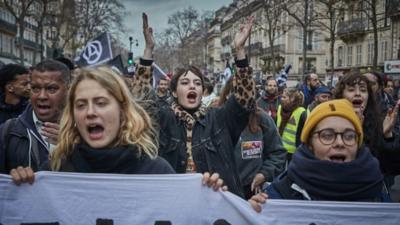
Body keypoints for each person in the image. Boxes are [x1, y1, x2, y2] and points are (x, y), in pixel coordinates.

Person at [10, 65, 227, 191]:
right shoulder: (54, 169)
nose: (90, 112)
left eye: (101, 103)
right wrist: (22, 188)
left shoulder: (156, 171)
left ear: (122, 110)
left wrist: (208, 198)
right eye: (81, 104)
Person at [130, 13, 256, 198]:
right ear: (174, 92)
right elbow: (140, 101)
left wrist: (239, 50)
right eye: (185, 82)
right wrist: (148, 50)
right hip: (174, 203)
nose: (192, 86)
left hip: (216, 204)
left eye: (197, 83)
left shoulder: (219, 118)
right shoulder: (163, 119)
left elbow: (245, 101)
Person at [249, 99, 387, 212]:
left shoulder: (376, 191)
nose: (340, 143)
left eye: (349, 136)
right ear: (310, 143)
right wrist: (255, 213)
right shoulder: (282, 193)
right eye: (327, 135)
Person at [219, 77, 286, 199]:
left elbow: (278, 153)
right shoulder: (214, 119)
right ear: (227, 95)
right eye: (237, 91)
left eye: (247, 91)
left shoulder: (262, 120)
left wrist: (264, 174)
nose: (242, 96)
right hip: (220, 191)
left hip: (251, 193)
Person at [0, 60, 69, 174]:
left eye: (51, 89)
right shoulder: (8, 132)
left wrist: (76, 147)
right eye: (35, 88)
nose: (41, 96)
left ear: (68, 90)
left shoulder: (87, 132)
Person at [334, 73, 400, 176]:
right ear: (341, 95)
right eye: (351, 90)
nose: (358, 94)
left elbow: (391, 168)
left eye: (363, 90)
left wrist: (387, 136)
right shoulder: (328, 122)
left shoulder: (376, 122)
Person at [277, 88, 307, 161]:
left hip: (294, 152)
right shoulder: (279, 108)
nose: (281, 99)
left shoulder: (302, 112)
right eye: (282, 97)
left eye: (284, 97)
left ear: (292, 99)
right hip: (280, 149)